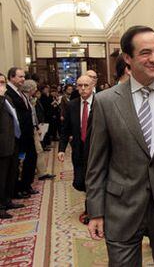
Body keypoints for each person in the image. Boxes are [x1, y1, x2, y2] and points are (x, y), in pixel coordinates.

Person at [86, 25, 154, 267]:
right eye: (145, 53)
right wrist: (95, 210)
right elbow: (96, 162)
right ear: (127, 58)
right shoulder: (105, 102)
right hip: (122, 207)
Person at [58, 76, 94, 222]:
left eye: (86, 85)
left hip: (95, 150)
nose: (83, 88)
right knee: (80, 182)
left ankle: (91, 211)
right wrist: (61, 149)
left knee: (93, 182)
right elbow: (65, 129)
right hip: (79, 150)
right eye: (80, 86)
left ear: (92, 86)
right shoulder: (72, 105)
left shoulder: (101, 103)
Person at [6, 67, 39, 198]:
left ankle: (26, 185)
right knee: (18, 164)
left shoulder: (19, 92)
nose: (23, 79)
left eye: (24, 77)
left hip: (27, 134)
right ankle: (18, 189)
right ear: (12, 77)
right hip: (18, 136)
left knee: (31, 159)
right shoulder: (9, 93)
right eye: (20, 77)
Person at [0, 73, 24, 219]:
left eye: (3, 82)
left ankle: (8, 200)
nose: (1, 85)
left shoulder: (7, 97)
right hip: (2, 144)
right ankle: (1, 206)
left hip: (13, 140)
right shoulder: (2, 98)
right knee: (1, 177)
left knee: (11, 174)